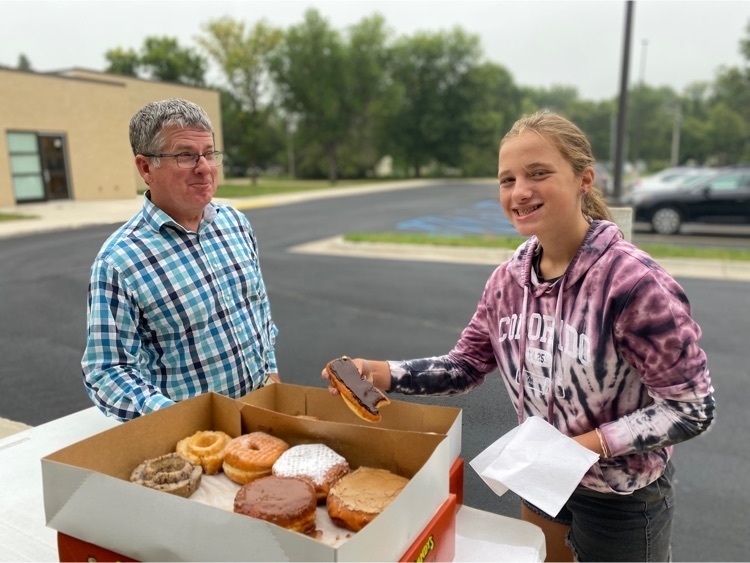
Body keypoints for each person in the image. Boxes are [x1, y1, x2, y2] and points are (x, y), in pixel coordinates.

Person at [322, 110, 715, 562]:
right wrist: (379, 372)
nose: (519, 191)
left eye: (538, 173)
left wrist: (584, 447)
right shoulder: (508, 281)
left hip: (619, 496)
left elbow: (691, 407)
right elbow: (464, 365)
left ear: (583, 179)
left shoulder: (633, 285)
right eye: (507, 180)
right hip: (542, 476)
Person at [82, 98, 279, 422]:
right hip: (194, 442)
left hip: (263, 413)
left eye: (209, 153)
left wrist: (271, 375)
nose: (205, 168)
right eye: (186, 155)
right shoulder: (119, 263)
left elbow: (258, 313)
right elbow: (107, 372)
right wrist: (180, 422)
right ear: (146, 167)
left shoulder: (236, 224)